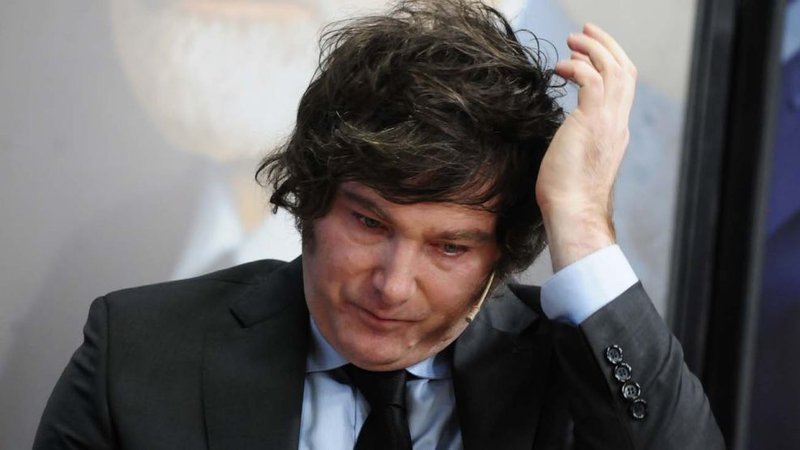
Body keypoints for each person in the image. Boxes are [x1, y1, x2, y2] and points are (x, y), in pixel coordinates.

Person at [34, 1, 724, 448]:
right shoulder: (136, 351)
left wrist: (581, 218)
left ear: (499, 256)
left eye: (450, 247)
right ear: (310, 196)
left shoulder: (575, 379)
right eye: (368, 221)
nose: (392, 286)